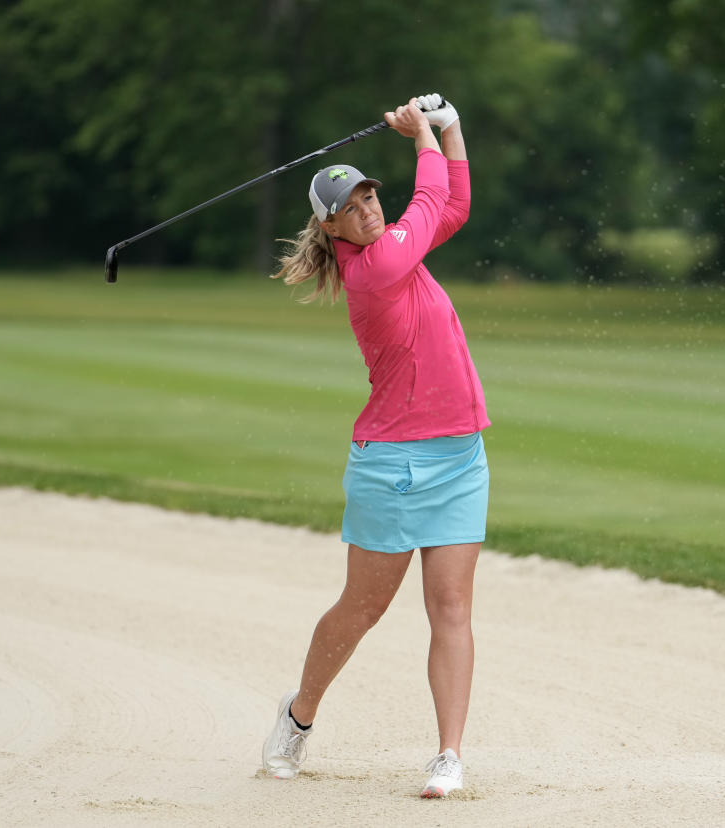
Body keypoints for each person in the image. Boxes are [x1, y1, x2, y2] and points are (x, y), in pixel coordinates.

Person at [262, 93, 489, 798]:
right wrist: (424, 134)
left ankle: (448, 755)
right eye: (352, 206)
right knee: (362, 608)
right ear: (331, 229)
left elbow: (451, 208)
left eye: (368, 196)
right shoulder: (377, 268)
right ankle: (298, 718)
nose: (367, 208)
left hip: (458, 458)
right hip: (391, 464)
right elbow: (428, 202)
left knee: (451, 608)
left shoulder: (397, 250)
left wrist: (450, 130)